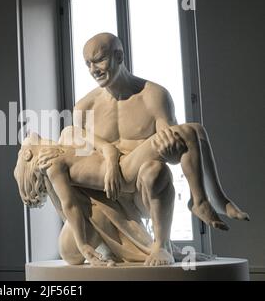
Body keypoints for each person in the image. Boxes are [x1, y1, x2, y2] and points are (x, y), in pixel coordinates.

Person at [29, 33, 248, 266]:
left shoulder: (153, 95)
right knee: (68, 251)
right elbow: (78, 164)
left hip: (143, 191)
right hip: (108, 192)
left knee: (157, 168)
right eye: (88, 64)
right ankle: (209, 200)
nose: (94, 69)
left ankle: (162, 243)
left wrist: (168, 146)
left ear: (119, 56)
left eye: (99, 60)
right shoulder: (84, 108)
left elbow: (175, 153)